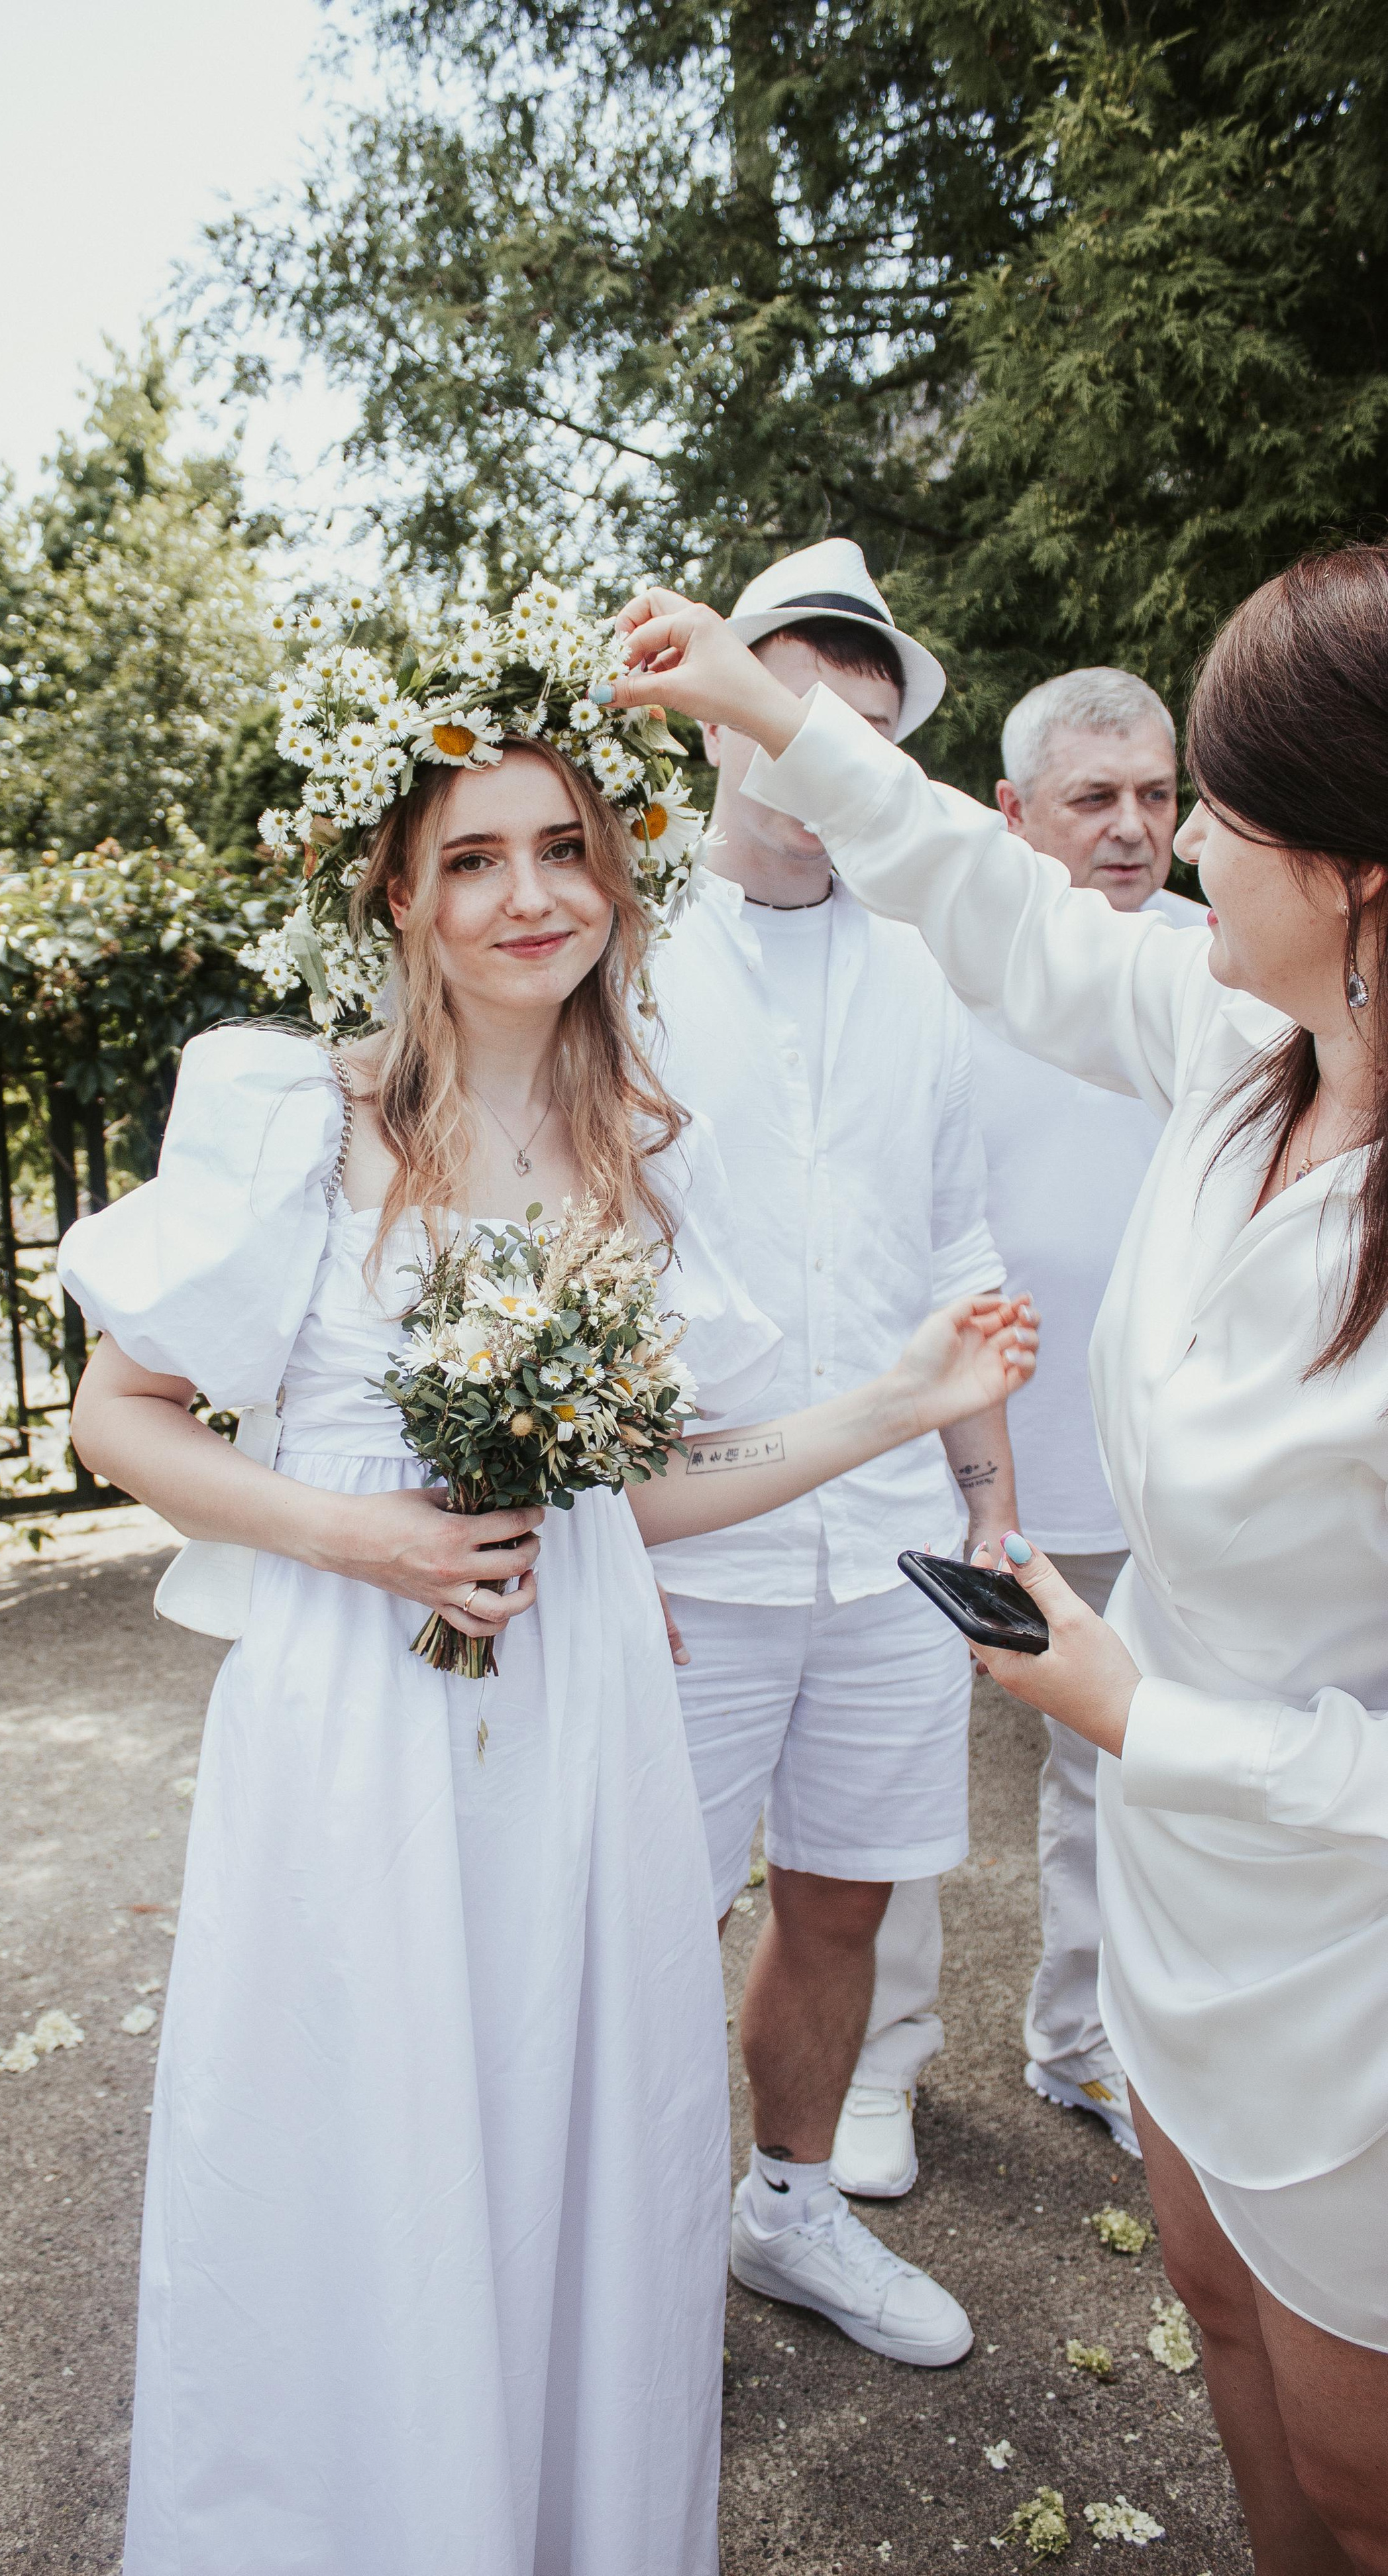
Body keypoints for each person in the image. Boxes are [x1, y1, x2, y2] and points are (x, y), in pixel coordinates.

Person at [55, 595, 1037, 2576]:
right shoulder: (300, 1117)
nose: (532, 897)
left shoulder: (626, 1147)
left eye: (565, 847)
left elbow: (633, 1502)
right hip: (363, 1723)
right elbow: (119, 1419)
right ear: (402, 899)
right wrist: (369, 1536)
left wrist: (896, 1406)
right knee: (375, 2145)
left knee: (568, 2130)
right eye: (475, 860)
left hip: (580, 1712)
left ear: (615, 869)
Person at [602, 547, 1388, 2571]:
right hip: (1192, 1930)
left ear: (1360, 874)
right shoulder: (1246, 1067)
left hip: (1356, 1964)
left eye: (1220, 805)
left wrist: (1134, 1707)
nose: (1172, 840)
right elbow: (992, 894)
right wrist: (763, 712)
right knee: (1217, 2318)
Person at [645, 537, 1018, 2366]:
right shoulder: (616, 965)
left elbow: (962, 1252)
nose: (825, 763)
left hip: (885, 1544)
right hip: (680, 1546)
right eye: (795, 719)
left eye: (863, 735)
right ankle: (617, 2251)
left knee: (846, 1897)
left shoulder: (931, 973)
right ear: (724, 726)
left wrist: (995, 1510)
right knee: (639, 1916)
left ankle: (789, 2215)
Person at [983, 669, 1203, 2156]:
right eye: (1091, 798)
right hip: (967, 1450)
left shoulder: (1229, 959)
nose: (1130, 829)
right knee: (873, 1800)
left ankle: (1085, 2042)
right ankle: (876, 2073)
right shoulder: (955, 961)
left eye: (1153, 794)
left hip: (1152, 1471)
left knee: (1116, 1776)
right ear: (1011, 815)